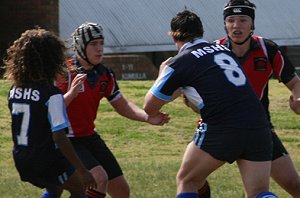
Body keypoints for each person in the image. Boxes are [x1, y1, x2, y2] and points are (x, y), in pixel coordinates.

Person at [144, 10, 277, 198]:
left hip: (223, 127)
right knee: (259, 193)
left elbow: (149, 107)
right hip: (259, 126)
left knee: (187, 180)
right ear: (201, 32)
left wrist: (161, 74)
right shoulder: (223, 50)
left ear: (174, 36)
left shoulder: (179, 62)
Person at [55, 22, 169, 198]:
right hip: (68, 139)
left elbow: (122, 105)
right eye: (93, 44)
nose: (100, 48)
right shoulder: (66, 73)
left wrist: (147, 117)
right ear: (80, 46)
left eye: (101, 42)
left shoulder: (104, 75)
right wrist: (71, 94)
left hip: (89, 136)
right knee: (98, 178)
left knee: (121, 190)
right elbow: (52, 110)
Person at [214, 0, 300, 196]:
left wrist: (298, 99)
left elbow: (295, 82)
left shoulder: (267, 49)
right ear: (225, 24)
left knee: (294, 184)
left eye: (243, 20)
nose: (237, 25)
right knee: (190, 179)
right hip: (219, 130)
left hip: (258, 129)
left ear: (252, 24)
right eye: (231, 20)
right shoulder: (213, 51)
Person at [4, 28, 98, 198]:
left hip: (22, 158)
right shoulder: (51, 94)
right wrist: (82, 170)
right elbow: (59, 137)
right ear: (52, 60)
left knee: (55, 189)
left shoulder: (14, 90)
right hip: (45, 160)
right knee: (78, 190)